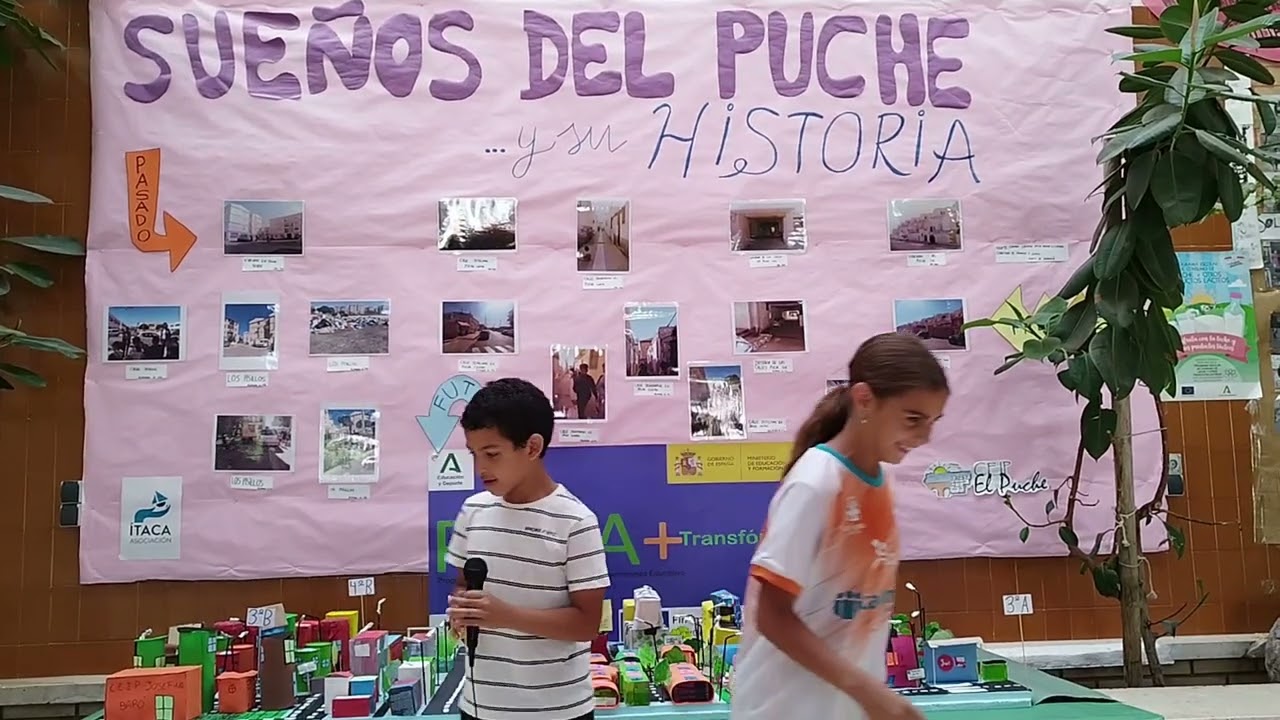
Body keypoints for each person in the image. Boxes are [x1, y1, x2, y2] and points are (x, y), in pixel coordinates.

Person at [729, 333, 949, 720]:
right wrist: (868, 692)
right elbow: (771, 615)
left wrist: (870, 695)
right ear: (864, 399)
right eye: (913, 419)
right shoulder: (815, 483)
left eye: (933, 421)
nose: (925, 436)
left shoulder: (881, 481)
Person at [445, 377, 610, 720]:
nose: (480, 468)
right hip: (480, 708)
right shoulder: (473, 512)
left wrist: (506, 616)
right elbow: (464, 587)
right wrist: (461, 614)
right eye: (474, 454)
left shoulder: (576, 522)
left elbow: (586, 624)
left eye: (492, 454)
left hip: (559, 711)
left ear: (532, 448)